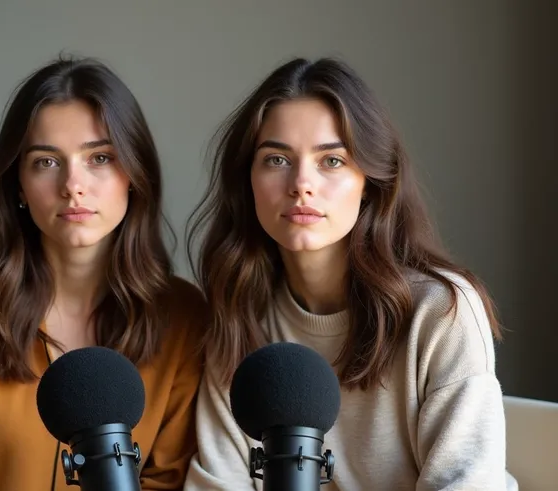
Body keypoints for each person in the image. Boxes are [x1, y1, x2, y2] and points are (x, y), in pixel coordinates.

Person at [0, 56, 205, 491]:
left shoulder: (183, 316)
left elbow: (168, 482)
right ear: (19, 185)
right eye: (46, 162)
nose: (73, 185)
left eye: (100, 157)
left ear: (134, 176)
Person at [182, 57, 517, 490]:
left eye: (332, 161)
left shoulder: (441, 312)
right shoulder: (239, 316)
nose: (302, 183)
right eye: (277, 159)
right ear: (247, 180)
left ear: (370, 182)